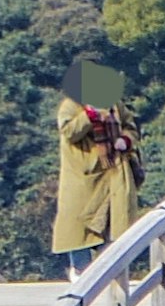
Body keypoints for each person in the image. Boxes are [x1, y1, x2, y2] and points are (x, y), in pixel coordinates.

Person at [53, 61, 140, 272]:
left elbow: (130, 125)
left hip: (114, 171)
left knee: (115, 223)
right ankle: (80, 270)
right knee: (78, 226)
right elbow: (69, 132)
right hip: (84, 176)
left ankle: (110, 270)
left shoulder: (114, 103)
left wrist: (126, 140)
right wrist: (89, 115)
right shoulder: (71, 105)